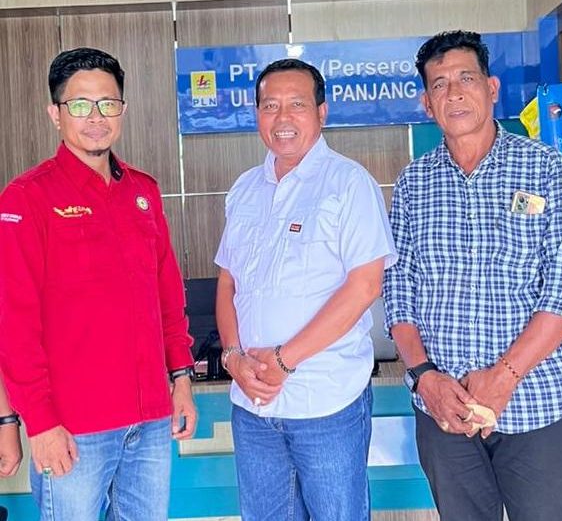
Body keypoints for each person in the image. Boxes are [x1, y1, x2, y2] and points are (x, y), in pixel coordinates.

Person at [383, 30, 562, 521]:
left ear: (492, 88)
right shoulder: (414, 183)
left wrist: (504, 377)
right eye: (439, 85)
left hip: (539, 407)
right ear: (427, 104)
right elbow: (398, 291)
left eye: (466, 78)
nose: (454, 93)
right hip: (444, 412)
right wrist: (424, 377)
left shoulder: (545, 167)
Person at [0, 47, 197, 521]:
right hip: (73, 428)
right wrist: (39, 423)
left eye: (107, 103)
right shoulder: (27, 198)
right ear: (55, 113)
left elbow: (167, 298)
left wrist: (182, 378)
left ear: (122, 110)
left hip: (150, 422)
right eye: (80, 104)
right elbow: (13, 323)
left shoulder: (143, 192)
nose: (96, 117)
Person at [214, 58, 396, 521]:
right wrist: (232, 357)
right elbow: (228, 281)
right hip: (253, 407)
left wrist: (283, 361)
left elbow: (365, 286)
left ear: (321, 112)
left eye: (296, 104)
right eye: (270, 106)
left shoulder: (348, 183)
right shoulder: (244, 188)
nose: (282, 118)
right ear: (257, 114)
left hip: (326, 404)